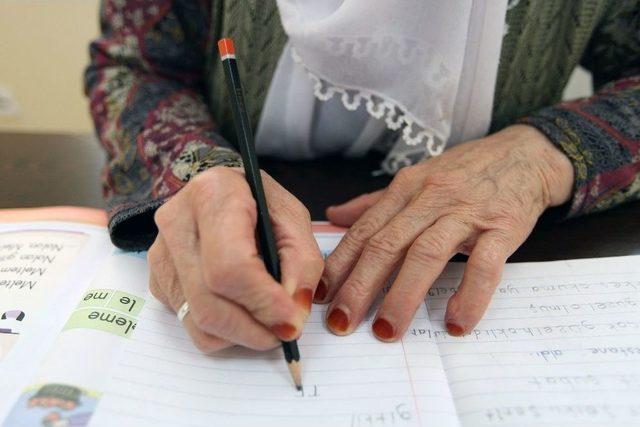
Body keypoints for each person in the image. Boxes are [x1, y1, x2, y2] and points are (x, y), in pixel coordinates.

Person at [85, 1, 640, 352]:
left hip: (505, 231)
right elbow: (136, 66)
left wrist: (541, 156)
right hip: (247, 193)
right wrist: (197, 167)